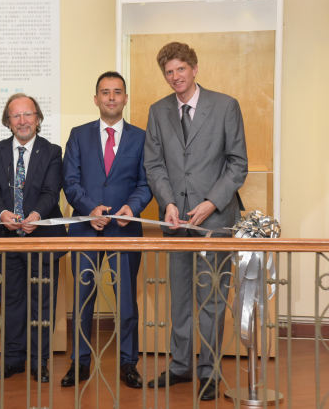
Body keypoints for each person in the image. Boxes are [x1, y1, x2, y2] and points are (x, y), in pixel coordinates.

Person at [144, 42, 248, 400]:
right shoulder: (158, 111)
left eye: (180, 70)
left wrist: (210, 202)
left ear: (194, 68)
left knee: (212, 299)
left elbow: (237, 164)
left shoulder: (225, 106)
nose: (175, 77)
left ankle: (209, 371)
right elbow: (154, 165)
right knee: (180, 297)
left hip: (215, 219)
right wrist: (168, 202)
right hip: (174, 221)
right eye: (169, 72)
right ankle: (180, 366)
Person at [61, 71, 152, 389]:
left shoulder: (141, 137)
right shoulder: (78, 134)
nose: (111, 97)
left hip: (125, 230)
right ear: (96, 98)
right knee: (83, 300)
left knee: (127, 301)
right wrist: (89, 209)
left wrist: (134, 207)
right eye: (105, 92)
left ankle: (129, 363)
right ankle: (79, 363)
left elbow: (145, 183)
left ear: (125, 98)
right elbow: (69, 181)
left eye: (117, 92)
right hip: (85, 230)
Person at [0, 93, 67, 383]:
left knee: (42, 302)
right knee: (10, 301)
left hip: (40, 237)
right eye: (15, 116)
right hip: (4, 238)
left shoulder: (53, 151)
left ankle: (39, 361)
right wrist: (3, 212)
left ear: (38, 118)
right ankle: (13, 360)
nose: (22, 121)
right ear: (8, 121)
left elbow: (50, 192)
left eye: (28, 114)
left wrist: (35, 216)